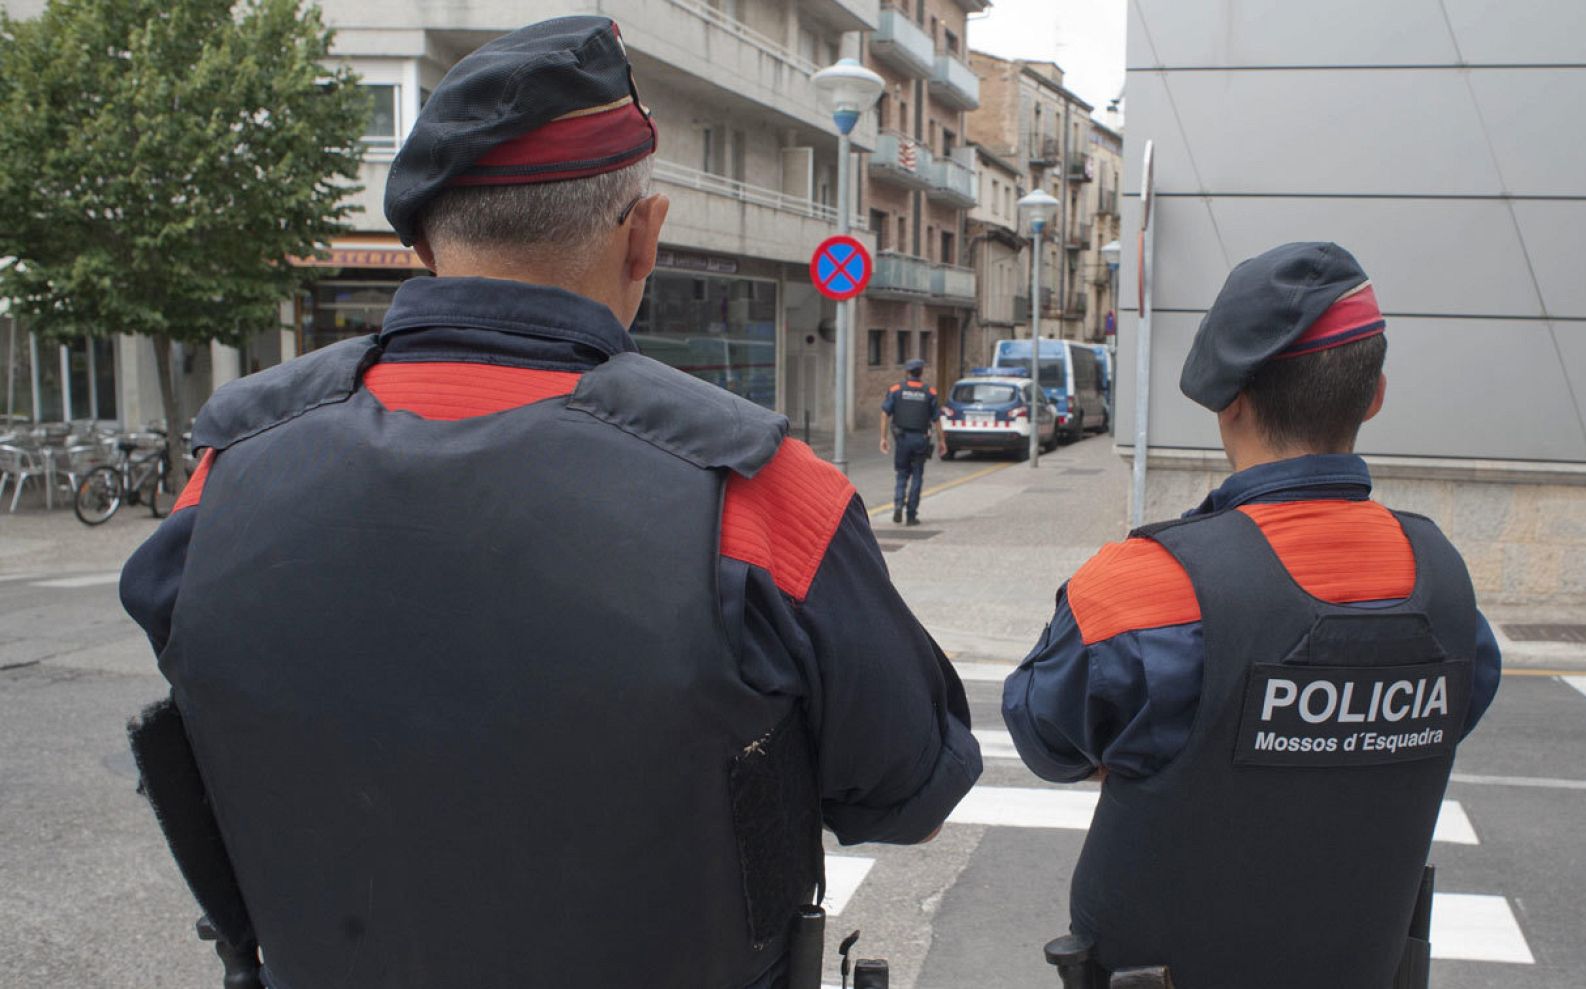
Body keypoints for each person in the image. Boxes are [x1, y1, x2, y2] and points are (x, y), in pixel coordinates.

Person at [119, 17, 981, 989]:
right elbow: (911, 791)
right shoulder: (761, 493)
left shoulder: (227, 471)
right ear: (643, 236)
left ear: (423, 243)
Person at [1003, 242, 1501, 988]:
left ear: (1229, 398)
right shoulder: (1443, 586)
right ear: (1374, 395)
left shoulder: (1142, 589)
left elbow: (1044, 736)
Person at [879, 357, 946, 525]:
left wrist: (883, 438)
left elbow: (885, 413)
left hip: (902, 439)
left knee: (901, 474)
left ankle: (898, 505)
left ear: (907, 372)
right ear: (921, 372)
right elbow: (937, 419)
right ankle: (911, 515)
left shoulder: (896, 390)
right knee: (917, 476)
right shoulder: (929, 392)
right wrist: (942, 441)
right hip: (920, 440)